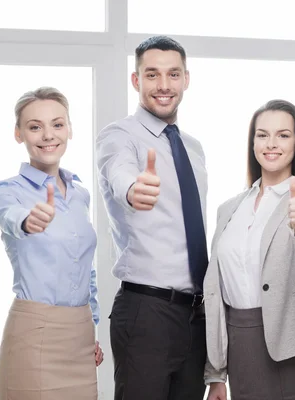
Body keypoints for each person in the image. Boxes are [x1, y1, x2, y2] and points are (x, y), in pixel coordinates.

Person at [96, 35, 208, 400]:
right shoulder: (119, 136)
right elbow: (119, 173)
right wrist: (133, 188)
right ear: (136, 80)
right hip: (146, 312)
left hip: (194, 314)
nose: (164, 85)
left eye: (173, 74)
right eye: (152, 75)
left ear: (186, 80)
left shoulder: (193, 148)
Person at [205, 100, 295, 400]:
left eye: (283, 135)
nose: (271, 144)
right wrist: (216, 372)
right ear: (252, 143)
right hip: (242, 347)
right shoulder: (228, 210)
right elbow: (215, 291)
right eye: (262, 135)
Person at [0, 87, 103, 400]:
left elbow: (84, 268)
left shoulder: (79, 193)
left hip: (80, 337)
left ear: (69, 128)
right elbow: (7, 216)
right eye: (35, 126)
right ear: (19, 134)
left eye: (57, 124)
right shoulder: (6, 191)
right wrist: (28, 221)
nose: (48, 135)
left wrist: (90, 325)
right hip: (34, 337)